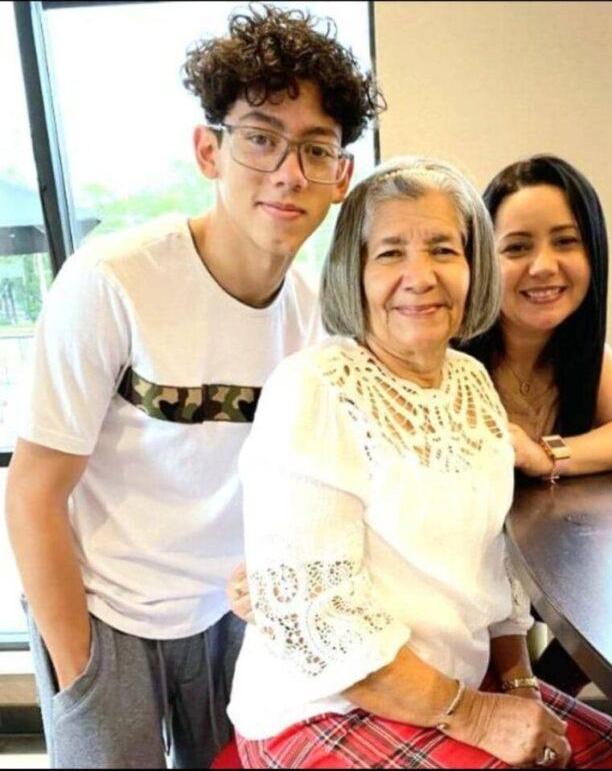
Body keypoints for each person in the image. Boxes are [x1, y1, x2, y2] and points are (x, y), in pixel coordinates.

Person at [4, 5, 381, 768]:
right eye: (261, 139)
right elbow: (34, 490)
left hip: (237, 615)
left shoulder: (322, 320)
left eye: (315, 148)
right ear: (209, 150)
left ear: (341, 176)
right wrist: (79, 670)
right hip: (105, 608)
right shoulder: (113, 281)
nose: (288, 172)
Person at [227, 157, 612, 769]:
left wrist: (521, 687)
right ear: (354, 270)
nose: (420, 276)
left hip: (451, 686)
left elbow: (493, 569)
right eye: (390, 253)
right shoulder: (313, 387)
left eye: (443, 250)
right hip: (328, 703)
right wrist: (478, 716)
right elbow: (325, 626)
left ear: (473, 267)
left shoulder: (471, 380)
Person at [464, 155, 612, 695]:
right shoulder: (455, 362)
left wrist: (547, 454)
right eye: (517, 248)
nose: (544, 266)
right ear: (483, 260)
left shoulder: (581, 355)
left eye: (565, 241)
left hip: (545, 584)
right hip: (461, 612)